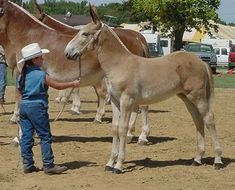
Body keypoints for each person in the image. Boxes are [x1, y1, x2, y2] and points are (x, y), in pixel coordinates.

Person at [17, 43, 80, 175]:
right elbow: (57, 86)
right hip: (37, 108)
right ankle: (48, 164)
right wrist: (72, 83)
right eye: (40, 57)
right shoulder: (41, 75)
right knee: (45, 136)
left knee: (27, 137)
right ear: (34, 60)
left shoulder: (22, 74)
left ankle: (28, 164)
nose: (43, 59)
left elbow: (19, 92)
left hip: (24, 106)